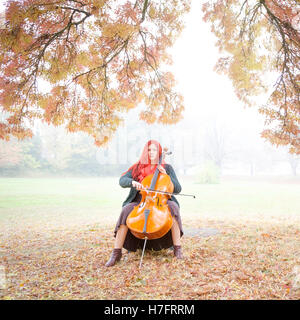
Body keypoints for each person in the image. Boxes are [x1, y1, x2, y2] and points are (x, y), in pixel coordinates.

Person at [105, 140, 184, 267]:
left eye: (154, 150)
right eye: (149, 150)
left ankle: (177, 249)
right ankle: (116, 252)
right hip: (140, 201)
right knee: (126, 211)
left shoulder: (167, 168)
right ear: (145, 151)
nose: (151, 152)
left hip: (161, 201)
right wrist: (132, 182)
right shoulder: (137, 167)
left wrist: (166, 176)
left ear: (159, 152)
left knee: (173, 208)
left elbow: (178, 189)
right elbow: (122, 180)